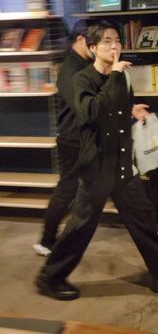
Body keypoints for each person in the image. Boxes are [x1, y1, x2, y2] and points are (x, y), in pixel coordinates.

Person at [36, 21, 158, 300]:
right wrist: (113, 76)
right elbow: (91, 112)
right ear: (92, 47)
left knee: (142, 218)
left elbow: (116, 111)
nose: (114, 46)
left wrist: (131, 109)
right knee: (81, 226)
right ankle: (49, 278)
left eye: (117, 41)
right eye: (107, 42)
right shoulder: (82, 79)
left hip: (122, 162)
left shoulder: (121, 76)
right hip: (97, 167)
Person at [33, 19, 96, 256]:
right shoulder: (72, 69)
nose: (96, 47)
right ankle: (47, 240)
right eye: (94, 42)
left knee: (77, 188)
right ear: (80, 40)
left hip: (83, 138)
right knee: (67, 189)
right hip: (73, 139)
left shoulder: (82, 64)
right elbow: (83, 107)